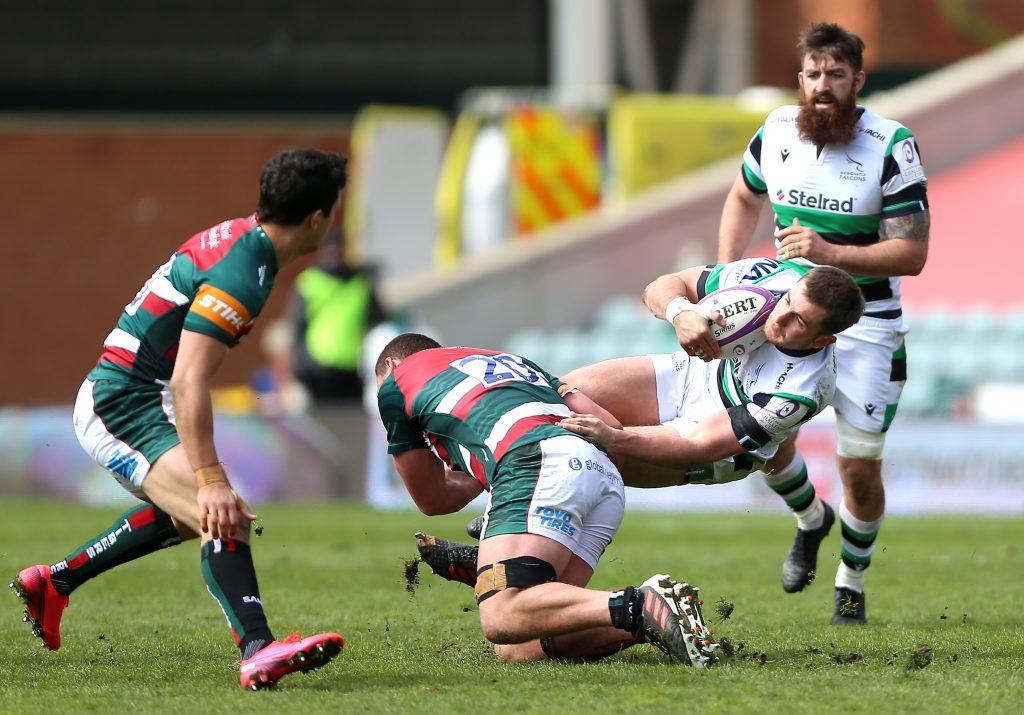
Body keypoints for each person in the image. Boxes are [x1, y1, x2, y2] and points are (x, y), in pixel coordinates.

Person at [10, 148, 349, 690]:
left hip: (137, 395)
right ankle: (258, 650)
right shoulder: (246, 270)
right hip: (121, 402)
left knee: (192, 514)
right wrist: (210, 478)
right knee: (221, 513)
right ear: (316, 219)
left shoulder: (243, 240)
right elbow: (191, 378)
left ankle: (55, 583)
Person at [715, 22, 930, 624]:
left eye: (836, 75)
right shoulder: (777, 129)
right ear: (800, 78)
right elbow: (741, 197)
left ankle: (851, 583)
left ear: (858, 80)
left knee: (859, 469)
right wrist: (730, 274)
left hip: (868, 326)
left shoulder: (891, 145)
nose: (823, 86)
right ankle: (811, 519)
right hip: (786, 313)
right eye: (813, 74)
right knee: (759, 439)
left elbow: (911, 255)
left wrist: (829, 252)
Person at [375, 332, 717, 667]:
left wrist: (484, 471)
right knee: (521, 639)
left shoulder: (396, 385)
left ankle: (640, 604)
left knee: (502, 614)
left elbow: (433, 499)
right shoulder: (512, 360)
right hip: (602, 475)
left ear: (390, 364)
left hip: (534, 463)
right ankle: (660, 624)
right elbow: (610, 427)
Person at [289, 229, 387, 403]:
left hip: (353, 369)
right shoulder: (310, 281)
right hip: (319, 371)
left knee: (350, 422)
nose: (335, 256)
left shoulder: (361, 282)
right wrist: (302, 365)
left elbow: (378, 321)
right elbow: (297, 326)